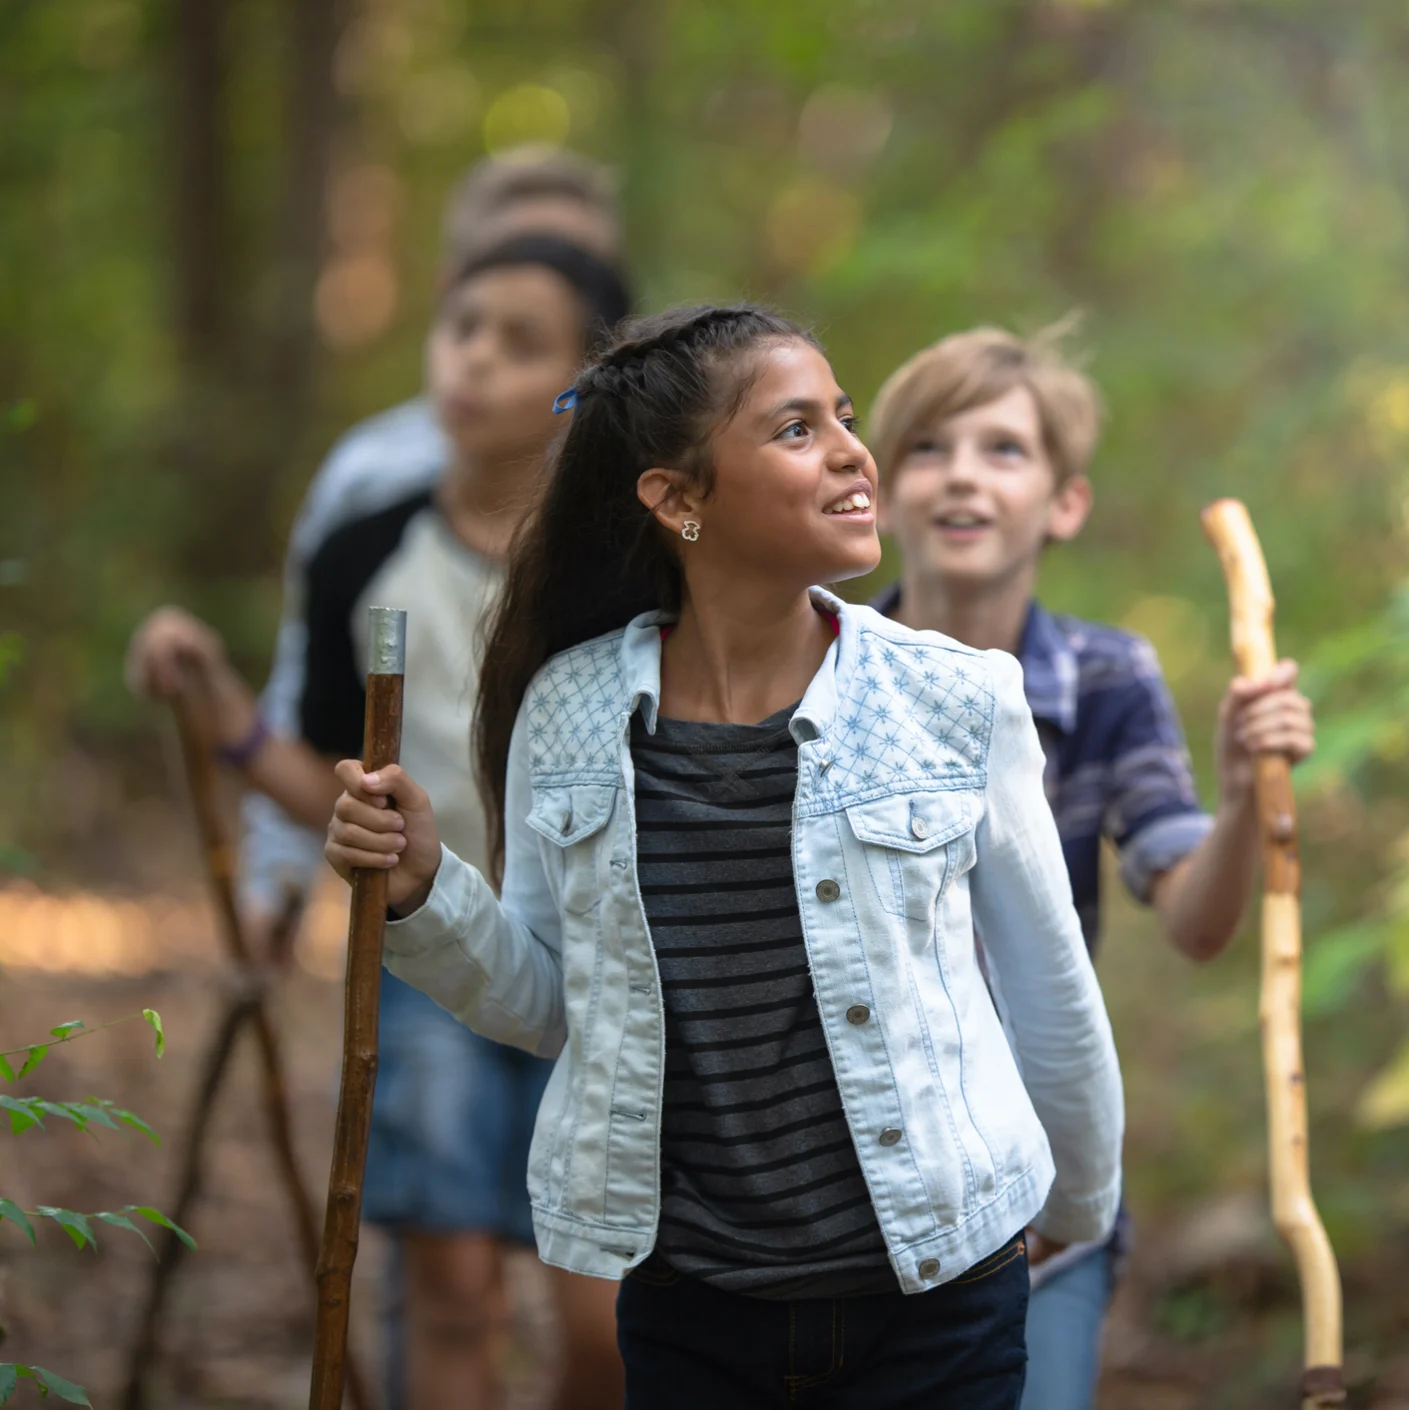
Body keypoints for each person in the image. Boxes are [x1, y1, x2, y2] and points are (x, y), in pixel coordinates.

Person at [317, 303, 1125, 1410]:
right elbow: (554, 1003)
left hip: (939, 1295)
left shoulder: (952, 698)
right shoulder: (575, 709)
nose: (852, 450)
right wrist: (423, 889)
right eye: (796, 430)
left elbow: (1049, 989)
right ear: (677, 498)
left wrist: (1072, 1212)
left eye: (844, 417)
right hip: (693, 1305)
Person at [128, 235, 634, 1410]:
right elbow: (327, 781)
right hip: (423, 955)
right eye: (462, 328)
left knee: (604, 1322)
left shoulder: (627, 567)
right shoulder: (366, 549)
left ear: (587, 380)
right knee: (449, 1289)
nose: (474, 361)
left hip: (612, 964)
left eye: (521, 343)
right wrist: (220, 711)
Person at [862, 325, 1316, 1410]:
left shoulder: (1108, 678)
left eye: (1004, 450)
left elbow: (1196, 923)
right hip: (855, 1185)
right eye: (928, 447)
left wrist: (1245, 790)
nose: (963, 472)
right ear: (877, 495)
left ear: (1063, 504)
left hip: (1039, 1188)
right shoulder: (820, 668)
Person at [241, 146, 625, 916]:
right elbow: (310, 707)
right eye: (469, 321)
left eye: (566, 265)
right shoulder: (367, 493)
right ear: (449, 289)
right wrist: (274, 881)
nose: (480, 358)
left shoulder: (639, 538)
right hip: (427, 926)